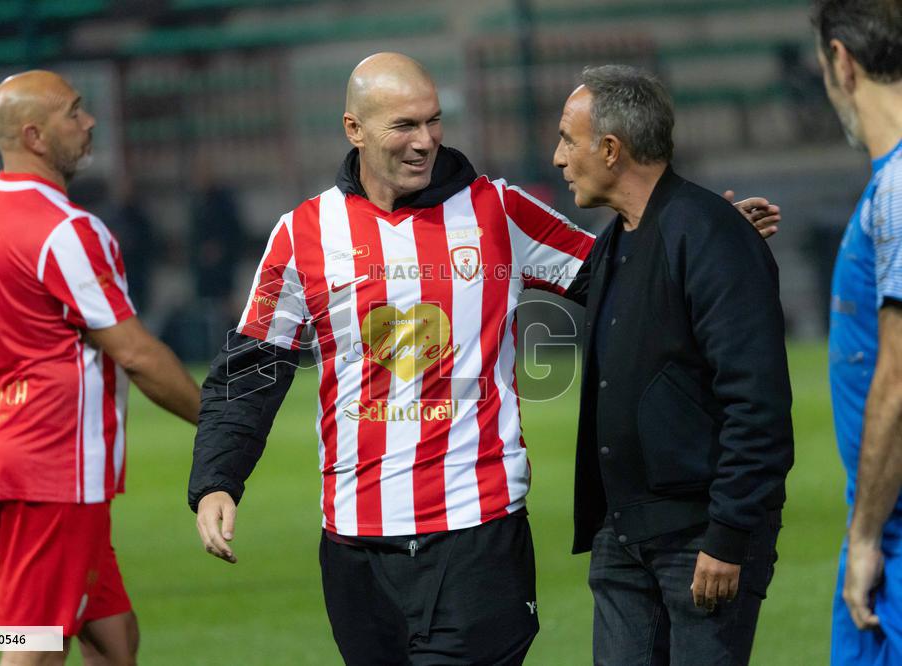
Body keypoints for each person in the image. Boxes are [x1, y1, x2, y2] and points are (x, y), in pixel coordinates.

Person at [188, 53, 780, 665]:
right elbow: (253, 365)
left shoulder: (497, 211)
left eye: (433, 122)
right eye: (404, 126)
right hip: (354, 546)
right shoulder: (303, 232)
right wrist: (216, 478)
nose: (425, 142)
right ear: (354, 129)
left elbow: (622, 272)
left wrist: (703, 235)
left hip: (478, 533)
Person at [0, 70, 200, 666]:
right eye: (75, 111)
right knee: (35, 644)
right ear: (36, 136)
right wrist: (219, 420)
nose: (88, 123)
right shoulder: (67, 231)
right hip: (53, 465)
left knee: (114, 636)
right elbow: (136, 353)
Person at [552, 65, 794, 665]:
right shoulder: (620, 239)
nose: (557, 158)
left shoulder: (707, 235)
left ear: (611, 149)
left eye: (566, 138)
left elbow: (757, 405)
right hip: (623, 533)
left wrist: (728, 536)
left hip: (699, 541)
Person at [811, 1, 902, 663]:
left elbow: (898, 381)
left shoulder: (898, 188)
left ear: (842, 61)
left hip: (893, 535)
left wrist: (866, 535)